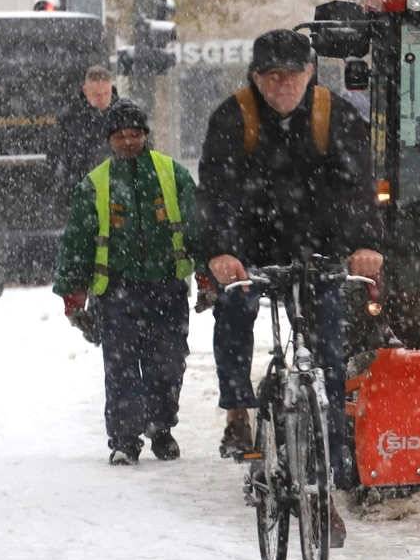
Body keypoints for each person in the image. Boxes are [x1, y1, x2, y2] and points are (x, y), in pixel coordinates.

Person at [197, 29, 382, 515]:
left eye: (293, 75)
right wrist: (220, 252)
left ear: (311, 74)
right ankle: (239, 409)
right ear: (255, 78)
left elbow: (358, 187)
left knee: (330, 349)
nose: (283, 85)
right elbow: (215, 193)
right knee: (234, 307)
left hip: (318, 245)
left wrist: (364, 243)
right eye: (272, 76)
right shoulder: (232, 118)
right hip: (250, 245)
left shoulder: (334, 116)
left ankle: (331, 467)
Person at [53, 99, 199, 465]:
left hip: (167, 288)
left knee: (167, 363)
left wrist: (210, 277)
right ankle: (124, 439)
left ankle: (162, 429)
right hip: (116, 292)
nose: (128, 141)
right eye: (120, 135)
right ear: (109, 140)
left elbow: (200, 228)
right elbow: (78, 243)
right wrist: (74, 299)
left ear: (146, 135)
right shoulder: (95, 184)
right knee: (120, 368)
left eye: (135, 134)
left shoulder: (173, 175)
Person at [53, 65, 120, 205]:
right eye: (97, 94)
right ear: (86, 91)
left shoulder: (124, 115)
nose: (103, 99)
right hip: (82, 190)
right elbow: (62, 155)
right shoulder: (70, 118)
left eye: (106, 93)